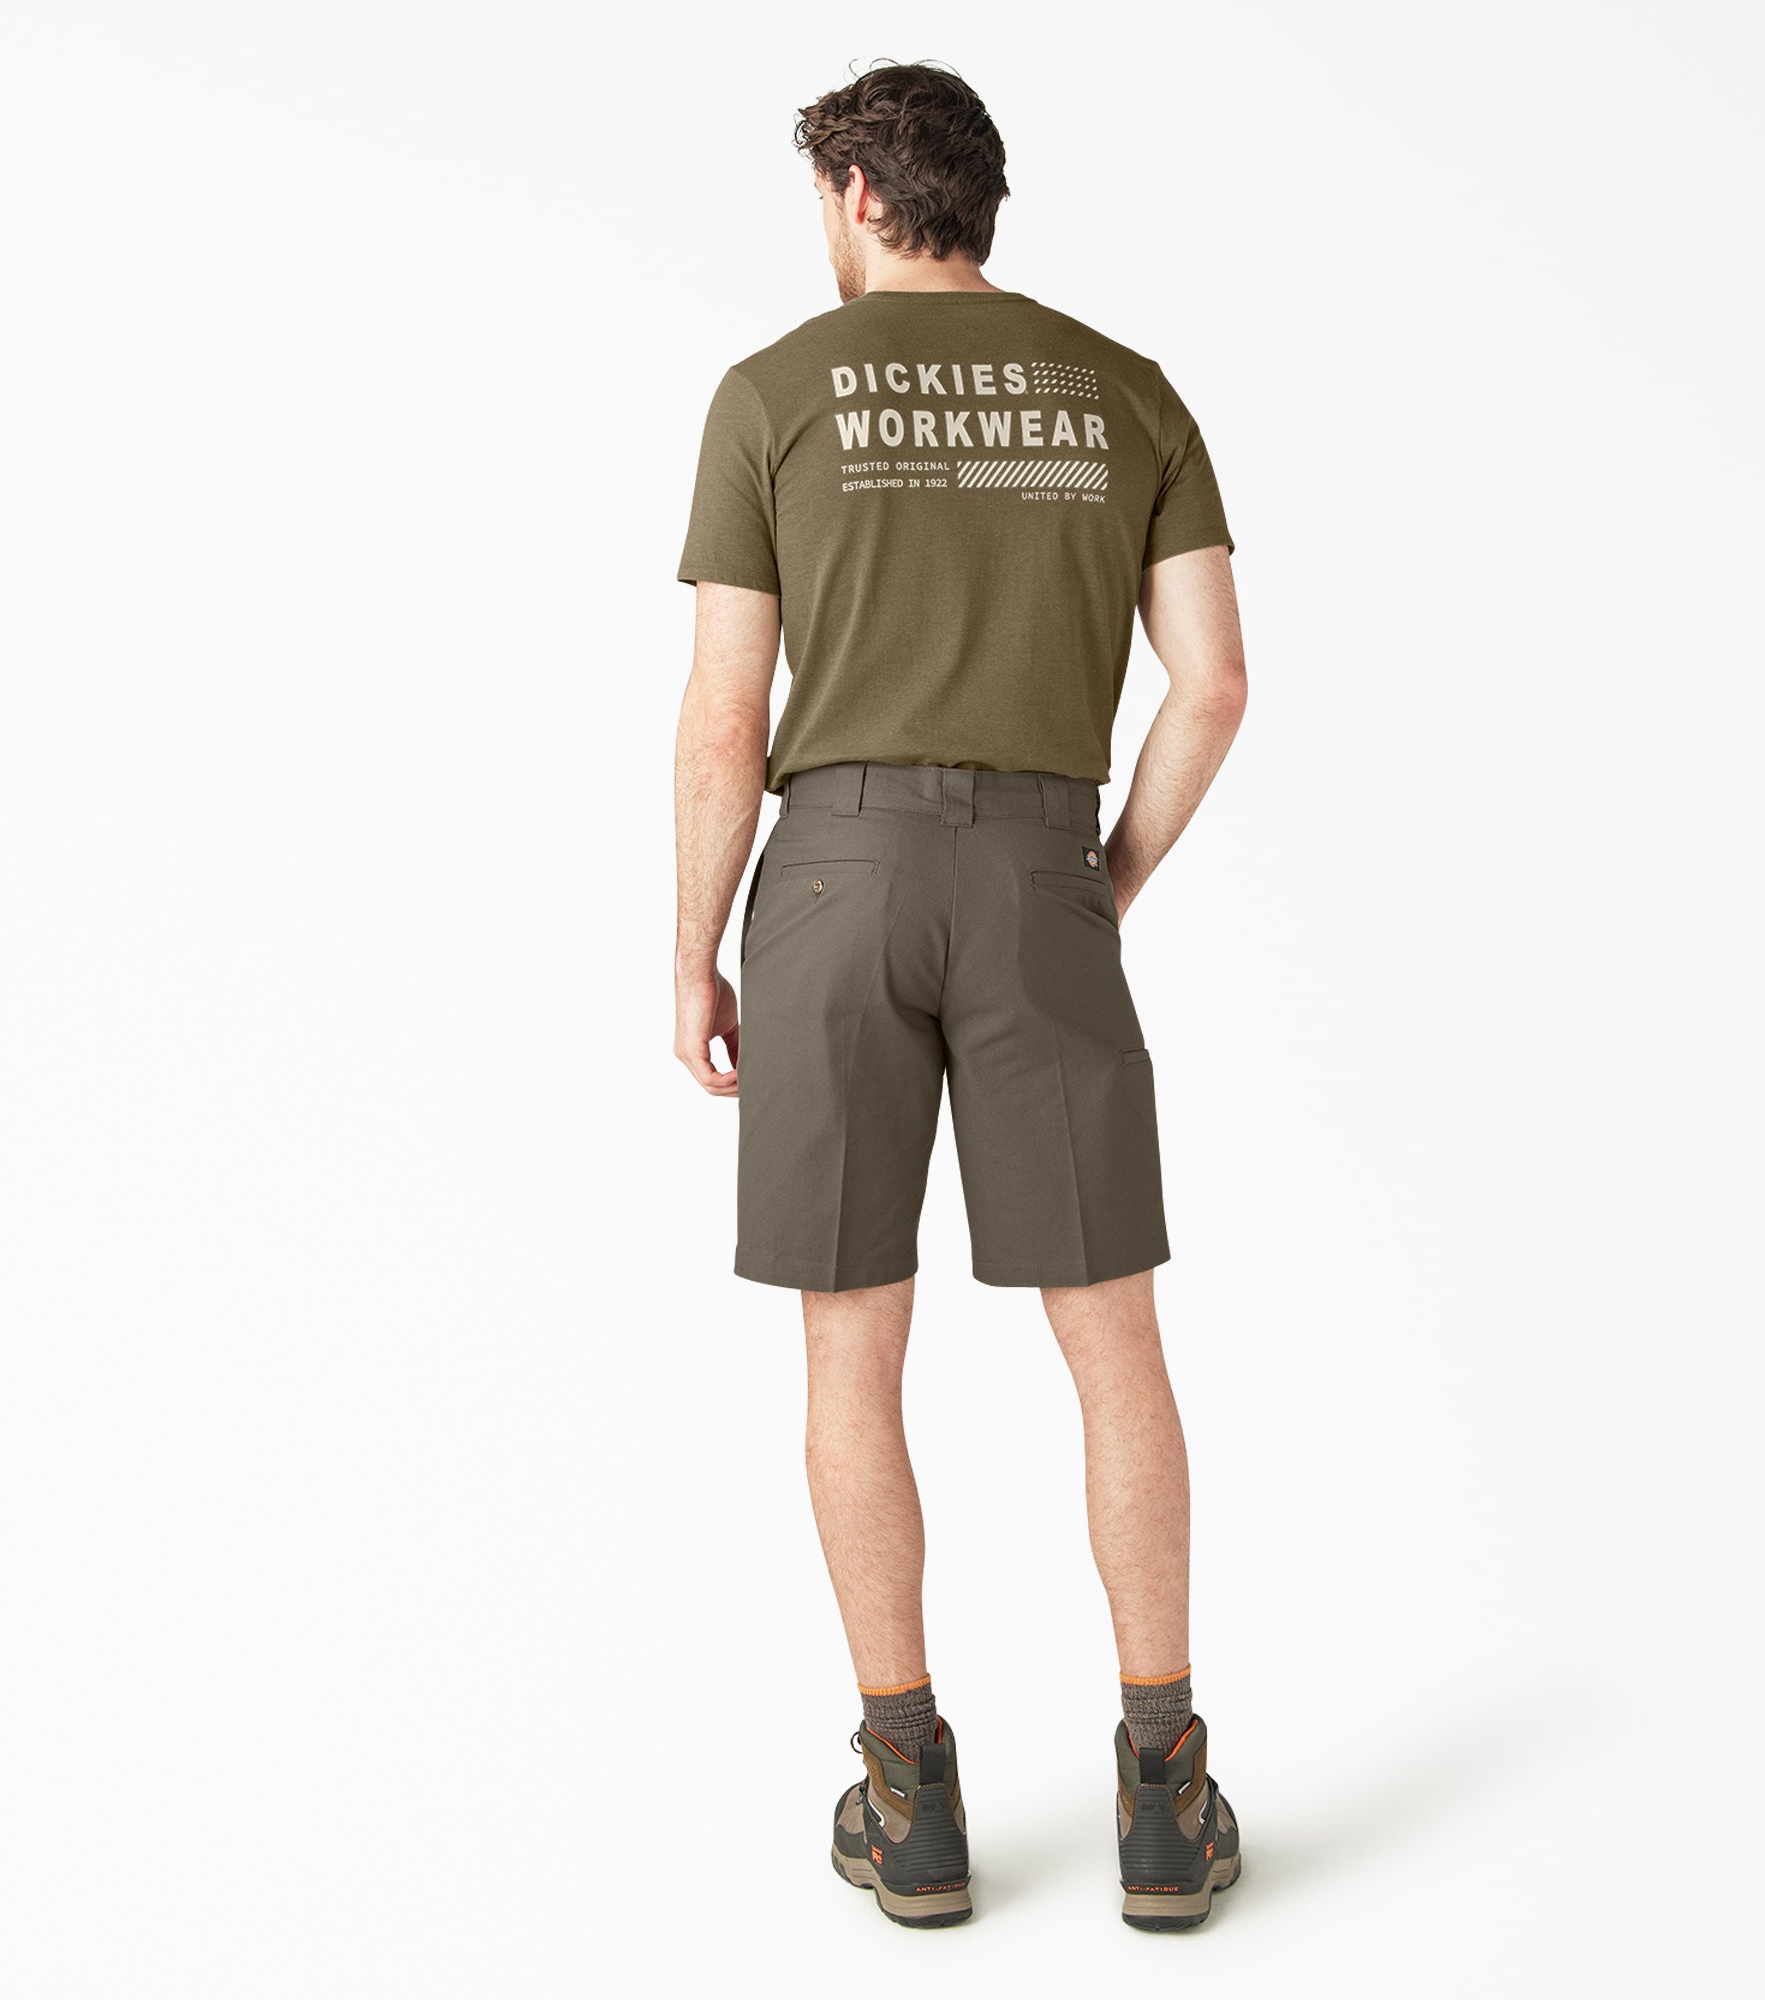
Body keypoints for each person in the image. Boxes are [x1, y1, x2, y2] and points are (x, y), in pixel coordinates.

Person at [672, 61, 1247, 1931]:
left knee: (853, 1342)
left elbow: (726, 714)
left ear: (858, 191)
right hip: (1036, 872)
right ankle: (1163, 1796)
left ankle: (909, 1800)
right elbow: (1215, 684)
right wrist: (1102, 882)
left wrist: (693, 945)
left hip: (830, 883)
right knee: (1113, 1339)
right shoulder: (1127, 391)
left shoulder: (773, 393)